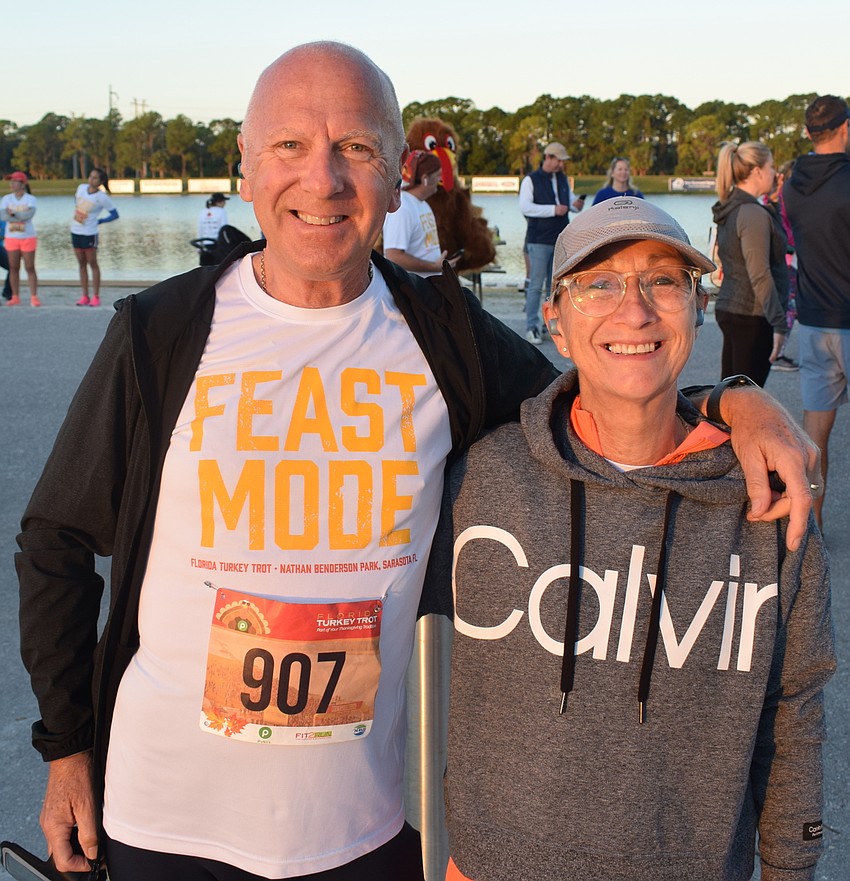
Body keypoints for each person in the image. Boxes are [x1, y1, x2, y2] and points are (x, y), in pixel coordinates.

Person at [16, 41, 818, 881]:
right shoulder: (162, 332)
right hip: (163, 822)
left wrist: (733, 398)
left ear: (399, 175)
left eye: (355, 149)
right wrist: (66, 748)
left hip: (364, 832)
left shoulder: (444, 337)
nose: (322, 180)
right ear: (246, 168)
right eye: (289, 145)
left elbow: (604, 400)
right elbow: (56, 540)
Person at [440, 200, 835, 881]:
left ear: (697, 307)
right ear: (557, 323)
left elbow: (793, 708)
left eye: (662, 280)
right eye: (599, 282)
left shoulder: (768, 498)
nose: (635, 310)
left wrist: (791, 868)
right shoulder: (479, 475)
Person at [783, 94, 850, 531]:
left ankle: (812, 527)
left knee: (815, 440)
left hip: (812, 320)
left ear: (809, 133)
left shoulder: (791, 184)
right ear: (845, 128)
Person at [712, 141, 789, 387]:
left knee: (731, 398)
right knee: (746, 402)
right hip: (751, 317)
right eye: (771, 166)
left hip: (734, 309)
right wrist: (779, 323)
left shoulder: (735, 207)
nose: (775, 173)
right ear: (757, 171)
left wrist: (774, 202)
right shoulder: (751, 212)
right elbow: (760, 274)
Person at [519, 143, 586, 344]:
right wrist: (552, 210)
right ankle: (532, 327)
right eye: (558, 160)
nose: (560, 164)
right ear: (547, 157)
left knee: (555, 286)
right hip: (539, 239)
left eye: (562, 161)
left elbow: (568, 203)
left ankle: (551, 324)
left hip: (560, 239)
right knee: (536, 285)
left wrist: (576, 205)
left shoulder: (563, 178)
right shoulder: (530, 180)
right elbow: (525, 207)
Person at [382, 150, 461, 276]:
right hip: (413, 290)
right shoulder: (402, 208)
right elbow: (393, 256)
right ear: (425, 179)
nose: (440, 179)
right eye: (438, 175)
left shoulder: (422, 204)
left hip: (427, 287)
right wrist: (434, 267)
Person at [763, 159, 799, 372]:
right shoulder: (785, 195)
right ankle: (777, 353)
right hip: (788, 258)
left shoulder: (779, 195)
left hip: (790, 257)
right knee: (790, 307)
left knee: (792, 305)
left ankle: (776, 350)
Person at [72, 168, 119, 307]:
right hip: (76, 230)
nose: (91, 180)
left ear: (101, 181)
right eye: (90, 176)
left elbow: (115, 214)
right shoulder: (81, 188)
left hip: (90, 232)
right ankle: (84, 295)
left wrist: (100, 221)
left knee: (92, 262)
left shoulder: (102, 197)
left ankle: (96, 296)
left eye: (95, 178)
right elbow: (76, 201)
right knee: (81, 263)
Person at [1, 171, 40, 307]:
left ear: (23, 184)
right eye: (11, 181)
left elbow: (28, 215)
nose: (12, 184)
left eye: (15, 181)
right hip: (11, 237)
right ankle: (15, 296)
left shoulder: (30, 199)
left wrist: (14, 213)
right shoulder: (6, 199)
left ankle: (34, 296)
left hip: (27, 237)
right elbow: (4, 216)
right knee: (13, 267)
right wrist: (18, 216)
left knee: (30, 267)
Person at [197, 193, 229, 265]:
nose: (225, 204)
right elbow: (224, 230)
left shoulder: (203, 211)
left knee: (205, 271)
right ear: (219, 202)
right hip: (217, 246)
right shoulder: (222, 211)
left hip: (204, 246)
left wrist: (198, 248)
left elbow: (200, 230)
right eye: (224, 201)